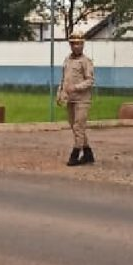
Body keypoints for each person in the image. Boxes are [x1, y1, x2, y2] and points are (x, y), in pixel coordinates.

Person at [57, 31, 96, 166]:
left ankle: (75, 154)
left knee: (79, 126)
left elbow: (90, 81)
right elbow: (63, 79)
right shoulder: (67, 60)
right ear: (70, 45)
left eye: (79, 44)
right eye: (74, 44)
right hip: (70, 99)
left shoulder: (86, 62)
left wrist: (77, 87)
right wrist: (60, 93)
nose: (76, 46)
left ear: (83, 45)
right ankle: (88, 152)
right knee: (75, 127)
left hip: (82, 99)